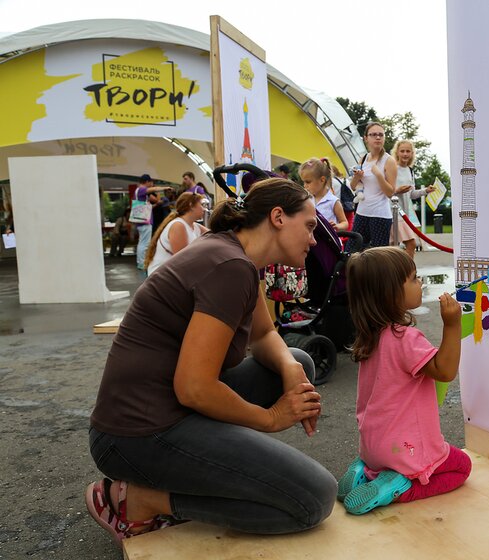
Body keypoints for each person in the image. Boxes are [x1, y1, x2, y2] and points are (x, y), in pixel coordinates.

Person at [85, 177, 337, 546]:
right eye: (311, 226)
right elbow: (194, 387)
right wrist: (270, 419)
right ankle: (139, 500)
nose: (314, 240)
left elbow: (264, 336)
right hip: (135, 435)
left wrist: (291, 370)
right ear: (279, 217)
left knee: (298, 360)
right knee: (312, 499)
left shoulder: (235, 255)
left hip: (165, 410)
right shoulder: (229, 267)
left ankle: (216, 462)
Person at [337, 247, 470, 515]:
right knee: (461, 467)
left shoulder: (370, 336)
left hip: (373, 449)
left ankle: (365, 471)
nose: (420, 282)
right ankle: (398, 489)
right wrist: (453, 325)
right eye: (413, 278)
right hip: (404, 450)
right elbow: (444, 371)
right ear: (390, 293)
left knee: (389, 464)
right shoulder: (404, 338)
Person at [348, 122, 397, 250]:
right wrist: (357, 177)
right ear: (366, 138)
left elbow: (390, 192)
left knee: (378, 256)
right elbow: (353, 186)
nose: (378, 138)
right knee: (352, 251)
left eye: (381, 134)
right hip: (362, 212)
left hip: (380, 215)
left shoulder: (389, 161)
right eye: (373, 134)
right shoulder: (363, 158)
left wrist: (380, 176)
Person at [390, 140, 436, 258]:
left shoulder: (410, 171)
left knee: (403, 245)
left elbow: (411, 194)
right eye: (402, 151)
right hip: (391, 212)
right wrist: (397, 190)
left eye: (408, 151)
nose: (405, 154)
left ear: (412, 153)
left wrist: (426, 190)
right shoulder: (392, 168)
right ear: (397, 153)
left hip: (403, 213)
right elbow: (385, 190)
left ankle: (406, 271)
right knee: (408, 243)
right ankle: (407, 271)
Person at [144, 192, 208, 275]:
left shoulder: (194, 226)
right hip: (161, 278)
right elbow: (183, 261)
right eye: (201, 205)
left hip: (172, 276)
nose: (204, 209)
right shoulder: (178, 226)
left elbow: (215, 235)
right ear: (191, 205)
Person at [299, 158, 348, 231]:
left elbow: (345, 223)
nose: (305, 186)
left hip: (328, 241)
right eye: (304, 182)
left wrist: (337, 226)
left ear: (322, 180)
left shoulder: (333, 201)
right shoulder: (307, 199)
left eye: (308, 182)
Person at [133, 174, 170, 270]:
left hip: (141, 219)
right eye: (151, 182)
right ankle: (141, 262)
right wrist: (165, 188)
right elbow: (154, 190)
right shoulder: (141, 190)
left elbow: (148, 205)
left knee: (142, 241)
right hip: (144, 221)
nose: (152, 185)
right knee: (144, 243)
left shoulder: (138, 191)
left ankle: (141, 261)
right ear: (147, 182)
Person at [331, 164, 356, 230]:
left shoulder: (332, 181)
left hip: (338, 209)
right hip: (349, 207)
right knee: (349, 228)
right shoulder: (346, 180)